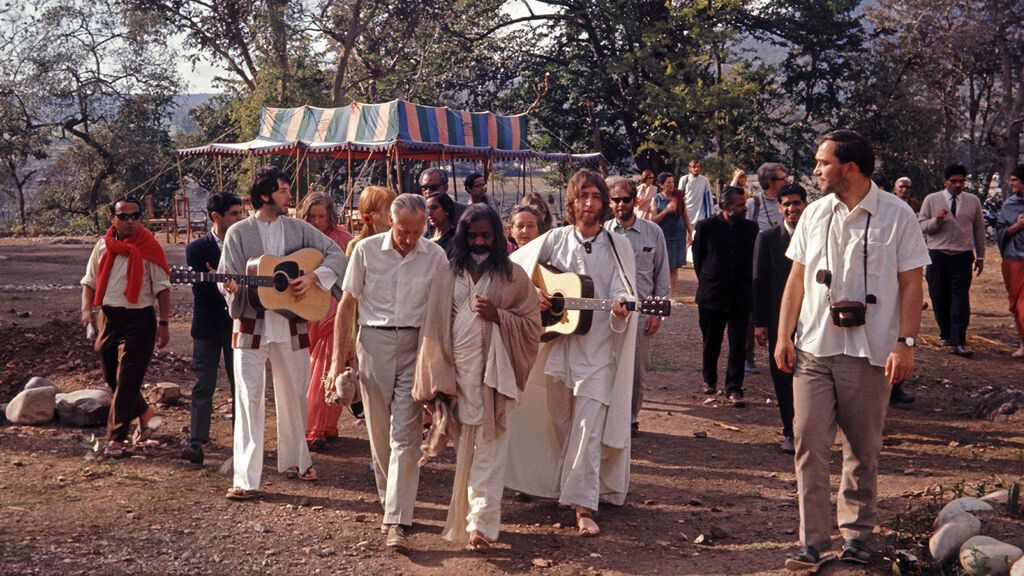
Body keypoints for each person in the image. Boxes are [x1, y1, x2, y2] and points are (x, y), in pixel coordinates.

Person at [775, 130, 928, 570]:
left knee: (862, 449)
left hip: (871, 351)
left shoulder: (897, 215)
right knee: (808, 443)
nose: (816, 170)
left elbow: (911, 284)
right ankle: (813, 542)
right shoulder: (814, 214)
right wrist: (785, 336)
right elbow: (796, 281)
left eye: (823, 163)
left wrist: (906, 342)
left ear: (851, 167)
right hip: (814, 349)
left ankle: (858, 537)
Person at [506, 168, 636, 538]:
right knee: (561, 423)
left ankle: (583, 506)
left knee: (587, 428)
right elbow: (514, 268)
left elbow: (625, 290)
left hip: (598, 354)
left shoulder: (617, 245)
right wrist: (535, 296)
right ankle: (568, 486)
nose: (590, 204)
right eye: (583, 197)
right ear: (572, 202)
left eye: (596, 197)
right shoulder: (555, 240)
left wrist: (622, 307)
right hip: (559, 351)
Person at [414, 204, 541, 550]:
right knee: (465, 450)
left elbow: (532, 324)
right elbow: (434, 326)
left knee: (490, 447)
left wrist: (498, 316)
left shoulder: (513, 276)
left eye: (486, 235)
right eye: (473, 236)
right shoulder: (447, 274)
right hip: (456, 374)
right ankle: (469, 516)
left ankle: (480, 525)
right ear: (462, 236)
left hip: (494, 377)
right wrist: (438, 374)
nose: (480, 241)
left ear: (497, 237)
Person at [326, 194, 448, 551]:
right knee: (379, 433)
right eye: (403, 231)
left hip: (416, 344)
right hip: (373, 344)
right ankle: (391, 502)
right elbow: (347, 305)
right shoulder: (365, 251)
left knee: (405, 434)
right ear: (389, 222)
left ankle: (397, 519)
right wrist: (337, 362)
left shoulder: (436, 256)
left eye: (417, 231)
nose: (409, 239)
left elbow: (443, 309)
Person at [218, 166, 348, 501]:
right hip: (250, 328)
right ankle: (246, 479)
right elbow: (226, 279)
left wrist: (314, 278)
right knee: (248, 400)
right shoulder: (238, 233)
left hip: (293, 324)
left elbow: (336, 254)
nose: (290, 196)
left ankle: (296, 461)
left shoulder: (299, 229)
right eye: (284, 190)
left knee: (295, 396)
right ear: (265, 196)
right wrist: (231, 289)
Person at [80, 196, 171, 459]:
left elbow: (163, 289)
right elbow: (90, 281)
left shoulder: (149, 247)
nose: (130, 221)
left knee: (129, 378)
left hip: (140, 319)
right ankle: (144, 411)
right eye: (123, 216)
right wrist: (87, 310)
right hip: (108, 318)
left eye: (135, 215)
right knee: (112, 377)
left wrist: (164, 324)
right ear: (112, 218)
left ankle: (116, 439)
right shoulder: (102, 247)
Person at [181, 192, 244, 466]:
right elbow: (201, 290)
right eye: (234, 213)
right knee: (203, 384)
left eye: (241, 213)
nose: (239, 218)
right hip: (207, 326)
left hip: (237, 325)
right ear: (216, 217)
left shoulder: (244, 244)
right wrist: (222, 280)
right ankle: (197, 441)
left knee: (239, 384)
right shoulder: (197, 249)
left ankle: (242, 441)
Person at [604, 177, 670, 437]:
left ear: (636, 200)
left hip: (642, 313)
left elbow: (661, 273)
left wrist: (658, 312)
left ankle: (629, 419)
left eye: (625, 199)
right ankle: (609, 417)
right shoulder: (603, 233)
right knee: (608, 366)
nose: (620, 204)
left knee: (636, 372)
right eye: (615, 200)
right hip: (609, 313)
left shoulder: (653, 232)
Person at [692, 186, 759, 408]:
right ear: (725, 206)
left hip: (741, 295)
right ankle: (709, 380)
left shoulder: (751, 229)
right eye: (740, 205)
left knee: (738, 344)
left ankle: (734, 388)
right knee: (711, 341)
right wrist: (709, 281)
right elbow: (699, 259)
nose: (744, 208)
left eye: (744, 204)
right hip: (712, 294)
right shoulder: (706, 227)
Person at [752, 183, 807, 454]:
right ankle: (790, 431)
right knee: (783, 373)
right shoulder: (768, 238)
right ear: (779, 207)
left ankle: (811, 430)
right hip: (778, 320)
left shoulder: (815, 237)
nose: (792, 209)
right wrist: (760, 323)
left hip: (813, 318)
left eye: (796, 203)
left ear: (805, 204)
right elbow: (759, 282)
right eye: (786, 204)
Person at [299, 192, 354, 448]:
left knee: (328, 367)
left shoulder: (343, 238)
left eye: (322, 216)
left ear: (331, 215)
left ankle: (319, 429)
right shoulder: (300, 236)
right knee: (313, 369)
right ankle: (318, 426)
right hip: (307, 308)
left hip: (335, 310)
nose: (318, 221)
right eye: (312, 216)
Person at [918, 164, 985, 357]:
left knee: (960, 298)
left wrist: (980, 256)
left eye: (961, 181)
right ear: (945, 181)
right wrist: (937, 220)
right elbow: (922, 226)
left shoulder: (973, 201)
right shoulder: (932, 200)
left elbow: (979, 230)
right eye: (953, 181)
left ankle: (959, 340)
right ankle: (946, 334)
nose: (958, 185)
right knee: (939, 296)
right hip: (937, 255)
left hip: (962, 256)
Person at [744, 162, 790, 374]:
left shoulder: (787, 203)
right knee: (753, 310)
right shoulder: (755, 203)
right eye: (783, 178)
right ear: (771, 182)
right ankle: (748, 355)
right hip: (758, 259)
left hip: (783, 261)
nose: (786, 181)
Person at [996, 164, 1024, 358]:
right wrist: (1017, 226)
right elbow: (1000, 231)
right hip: (1014, 259)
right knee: (1017, 303)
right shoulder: (1010, 204)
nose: (1011, 183)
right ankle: (1023, 343)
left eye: (1014, 180)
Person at [650, 172, 689, 295]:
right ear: (661, 185)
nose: (671, 184)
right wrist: (666, 210)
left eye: (673, 182)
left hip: (678, 234)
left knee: (675, 266)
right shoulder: (656, 199)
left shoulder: (678, 197)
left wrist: (690, 232)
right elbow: (653, 219)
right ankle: (660, 291)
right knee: (663, 265)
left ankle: (672, 294)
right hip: (663, 235)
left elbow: (685, 215)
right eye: (668, 182)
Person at [678, 158, 714, 229]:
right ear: (690, 168)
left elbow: (708, 197)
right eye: (694, 167)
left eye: (698, 167)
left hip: (700, 214)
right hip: (687, 213)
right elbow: (679, 197)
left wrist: (710, 213)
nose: (696, 169)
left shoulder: (705, 180)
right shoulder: (684, 179)